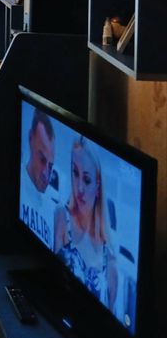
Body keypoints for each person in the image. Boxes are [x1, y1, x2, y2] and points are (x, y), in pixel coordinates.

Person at [54, 136, 118, 311]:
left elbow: (110, 320)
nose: (79, 188)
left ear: (98, 187)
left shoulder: (110, 260)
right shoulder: (62, 217)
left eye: (87, 180)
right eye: (75, 173)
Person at [20, 108, 58, 249]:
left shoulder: (51, 209)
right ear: (31, 138)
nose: (46, 174)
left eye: (50, 166)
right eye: (42, 160)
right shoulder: (17, 183)